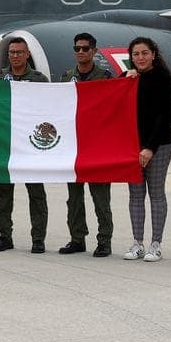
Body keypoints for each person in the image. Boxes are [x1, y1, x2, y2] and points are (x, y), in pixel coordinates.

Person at [58, 32, 115, 257]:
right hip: (72, 146)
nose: (80, 52)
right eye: (77, 48)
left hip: (97, 146)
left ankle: (104, 241)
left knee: (101, 198)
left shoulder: (106, 77)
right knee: (73, 198)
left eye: (85, 48)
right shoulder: (66, 77)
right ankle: (77, 238)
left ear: (94, 51)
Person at [0, 37, 49, 253]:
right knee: (3, 194)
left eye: (19, 52)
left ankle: (38, 239)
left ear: (27, 55)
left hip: (32, 145)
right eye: (12, 52)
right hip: (5, 144)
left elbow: (48, 108)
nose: (15, 56)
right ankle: (5, 236)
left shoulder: (39, 79)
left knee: (36, 194)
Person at [122, 37, 171, 262]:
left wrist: (149, 148)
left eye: (145, 53)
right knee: (135, 195)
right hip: (132, 146)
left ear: (154, 54)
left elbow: (163, 118)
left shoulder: (164, 79)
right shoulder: (129, 79)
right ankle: (138, 243)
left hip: (159, 145)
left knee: (156, 194)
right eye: (136, 54)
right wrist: (124, 78)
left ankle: (156, 243)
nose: (141, 58)